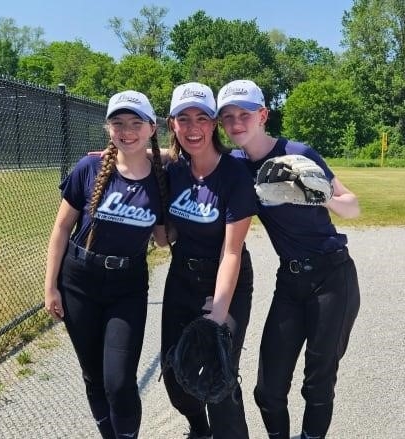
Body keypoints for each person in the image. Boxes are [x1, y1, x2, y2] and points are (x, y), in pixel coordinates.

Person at [217, 79, 361, 439]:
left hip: (333, 276)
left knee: (318, 381)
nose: (236, 124)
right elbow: (193, 157)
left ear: (263, 115)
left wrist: (316, 194)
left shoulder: (297, 152)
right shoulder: (235, 165)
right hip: (291, 281)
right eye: (228, 117)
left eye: (245, 114)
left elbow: (352, 207)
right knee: (267, 390)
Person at [44, 90, 168, 439]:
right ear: (107, 128)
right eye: (118, 123)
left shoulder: (161, 178)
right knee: (93, 376)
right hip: (78, 280)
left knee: (119, 381)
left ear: (151, 128)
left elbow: (161, 239)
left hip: (126, 286)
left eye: (135, 123)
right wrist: (50, 286)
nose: (126, 131)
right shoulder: (89, 167)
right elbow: (61, 228)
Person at [160, 82, 257, 439]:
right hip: (180, 277)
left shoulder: (234, 173)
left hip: (226, 278)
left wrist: (218, 311)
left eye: (202, 117)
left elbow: (231, 251)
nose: (193, 127)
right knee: (175, 374)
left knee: (218, 374)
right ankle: (199, 429)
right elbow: (138, 159)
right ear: (172, 124)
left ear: (214, 123)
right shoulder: (173, 169)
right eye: (183, 118)